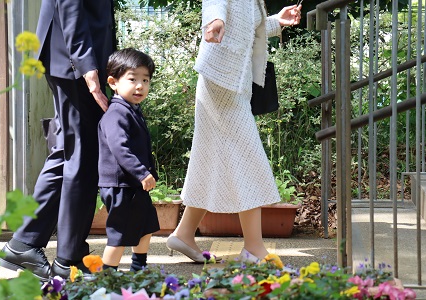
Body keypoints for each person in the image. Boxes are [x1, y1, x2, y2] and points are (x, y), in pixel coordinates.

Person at [166, 1, 302, 264]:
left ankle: (183, 234)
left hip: (230, 83)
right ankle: (253, 246)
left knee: (212, 161)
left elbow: (244, 26)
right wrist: (215, 21)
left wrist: (276, 21)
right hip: (221, 82)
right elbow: (215, 4)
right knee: (247, 158)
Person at [0, 0, 116, 280]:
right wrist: (86, 64)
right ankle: (68, 260)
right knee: (82, 156)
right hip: (74, 58)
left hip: (72, 55)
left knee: (68, 150)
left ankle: (24, 243)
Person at [97, 48, 159, 272]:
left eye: (145, 79)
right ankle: (108, 275)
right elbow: (119, 148)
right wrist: (141, 172)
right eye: (132, 79)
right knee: (120, 234)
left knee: (145, 226)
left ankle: (138, 268)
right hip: (120, 184)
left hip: (131, 184)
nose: (140, 86)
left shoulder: (131, 109)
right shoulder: (116, 113)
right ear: (113, 82)